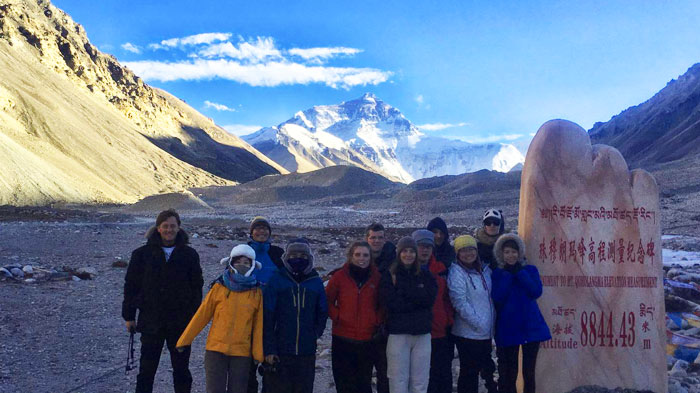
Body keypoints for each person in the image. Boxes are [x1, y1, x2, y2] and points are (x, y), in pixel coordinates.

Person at [122, 209, 203, 393]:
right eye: (165, 226)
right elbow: (131, 286)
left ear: (178, 228)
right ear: (158, 228)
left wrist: (193, 316)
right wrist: (129, 316)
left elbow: (197, 287)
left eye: (172, 226)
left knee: (181, 370)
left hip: (180, 323)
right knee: (146, 371)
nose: (169, 230)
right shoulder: (141, 254)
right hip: (151, 321)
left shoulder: (190, 254)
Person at [176, 244, 263, 393]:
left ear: (252, 265)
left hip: (241, 353)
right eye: (238, 261)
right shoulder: (219, 287)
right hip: (215, 350)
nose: (242, 265)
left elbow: (258, 326)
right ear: (231, 263)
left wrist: (258, 353)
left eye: (246, 262)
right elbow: (201, 316)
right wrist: (185, 339)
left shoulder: (256, 292)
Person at [263, 238, 328, 393]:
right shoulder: (277, 280)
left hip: (306, 351)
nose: (298, 258)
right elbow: (267, 317)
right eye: (293, 254)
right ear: (286, 257)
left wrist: (315, 333)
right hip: (281, 349)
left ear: (309, 258)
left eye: (303, 255)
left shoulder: (315, 281)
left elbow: (322, 311)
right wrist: (269, 349)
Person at [491, 234, 551, 393]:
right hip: (509, 328)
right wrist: (508, 274)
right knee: (510, 373)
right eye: (507, 252)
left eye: (514, 252)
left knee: (529, 372)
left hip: (531, 327)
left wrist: (520, 273)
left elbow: (535, 291)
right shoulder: (498, 273)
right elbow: (498, 296)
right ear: (501, 254)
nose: (511, 255)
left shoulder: (530, 270)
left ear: (520, 252)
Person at [379, 237, 437, 393]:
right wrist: (417, 299)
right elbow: (391, 303)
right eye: (405, 251)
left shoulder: (426, 275)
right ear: (399, 253)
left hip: (422, 334)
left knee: (420, 380)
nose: (408, 255)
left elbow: (429, 299)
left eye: (412, 251)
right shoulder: (390, 275)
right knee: (398, 379)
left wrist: (405, 295)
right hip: (398, 333)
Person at [326, 241, 382, 393]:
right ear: (350, 256)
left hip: (367, 339)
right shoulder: (339, 276)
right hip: (342, 338)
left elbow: (383, 303)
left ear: (370, 257)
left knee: (363, 383)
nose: (361, 258)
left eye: (365, 255)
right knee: (344, 383)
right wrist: (337, 316)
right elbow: (328, 300)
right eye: (357, 254)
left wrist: (375, 320)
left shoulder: (377, 277)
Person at [447, 235, 497, 393]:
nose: (468, 253)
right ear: (457, 253)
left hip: (484, 333)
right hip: (468, 333)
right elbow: (459, 302)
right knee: (469, 374)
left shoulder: (485, 271)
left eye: (471, 249)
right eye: (463, 250)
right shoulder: (456, 273)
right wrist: (479, 323)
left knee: (483, 370)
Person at [412, 230, 454, 393]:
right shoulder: (405, 271)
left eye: (428, 247)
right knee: (421, 377)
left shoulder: (441, 270)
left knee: (442, 374)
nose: (424, 250)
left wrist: (448, 320)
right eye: (421, 246)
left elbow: (447, 298)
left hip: (439, 331)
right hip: (416, 332)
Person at [246, 216, 284, 392]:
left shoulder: (277, 253)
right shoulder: (244, 252)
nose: (261, 232)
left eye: (264, 229)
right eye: (257, 228)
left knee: (270, 360)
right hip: (248, 313)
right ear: (251, 232)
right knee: (247, 364)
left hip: (273, 313)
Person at [365, 222, 395, 393]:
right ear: (367, 239)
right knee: (363, 372)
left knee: (385, 373)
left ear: (385, 239)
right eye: (373, 237)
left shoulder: (394, 261)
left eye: (380, 237)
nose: (376, 241)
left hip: (387, 325)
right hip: (364, 326)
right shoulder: (360, 259)